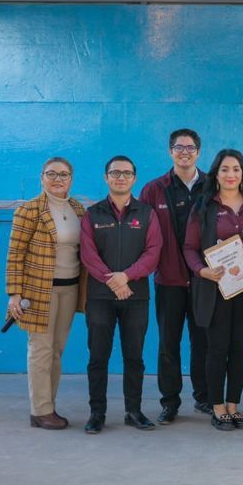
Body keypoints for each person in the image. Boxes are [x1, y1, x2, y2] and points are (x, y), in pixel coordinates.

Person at [183, 149, 243, 431]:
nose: (231, 174)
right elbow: (189, 247)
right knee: (217, 349)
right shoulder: (204, 206)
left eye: (236, 169)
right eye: (225, 169)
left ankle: (234, 406)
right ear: (216, 174)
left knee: (240, 349)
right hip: (215, 289)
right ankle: (217, 407)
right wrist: (202, 271)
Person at [79, 155, 163, 433]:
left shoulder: (147, 213)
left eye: (126, 173)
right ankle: (97, 413)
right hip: (100, 297)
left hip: (135, 295)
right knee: (98, 357)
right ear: (106, 177)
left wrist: (126, 276)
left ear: (134, 178)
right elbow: (88, 254)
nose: (121, 177)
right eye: (115, 173)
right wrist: (111, 280)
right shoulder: (92, 214)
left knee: (134, 357)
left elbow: (153, 252)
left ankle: (134, 411)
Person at [5, 156, 87, 430]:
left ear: (71, 180)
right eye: (51, 174)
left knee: (56, 351)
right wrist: (14, 294)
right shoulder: (28, 211)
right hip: (39, 291)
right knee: (40, 349)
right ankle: (40, 411)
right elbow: (15, 254)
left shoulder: (78, 209)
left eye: (63, 175)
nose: (57, 179)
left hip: (70, 289)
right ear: (41, 178)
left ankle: (48, 405)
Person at [138, 128, 208, 425]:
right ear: (170, 152)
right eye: (178, 147)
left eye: (190, 148)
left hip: (206, 279)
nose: (184, 152)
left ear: (198, 152)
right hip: (169, 280)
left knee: (203, 342)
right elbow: (141, 233)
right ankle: (170, 401)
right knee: (169, 343)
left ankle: (204, 398)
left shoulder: (212, 185)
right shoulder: (154, 189)